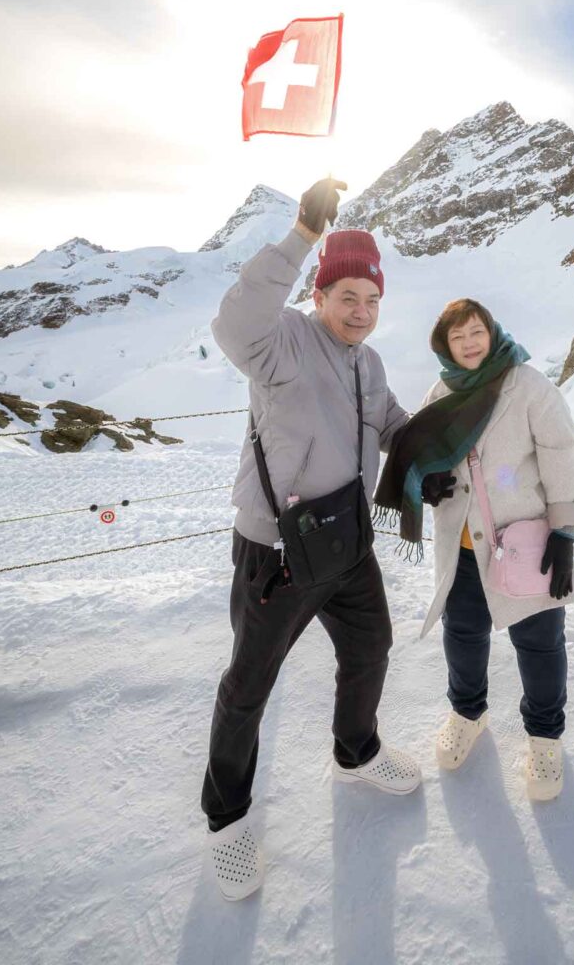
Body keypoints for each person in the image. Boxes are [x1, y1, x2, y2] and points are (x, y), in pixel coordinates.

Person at [201, 177, 420, 901]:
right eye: (346, 296)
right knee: (249, 685)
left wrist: (442, 444)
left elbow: (389, 423)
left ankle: (355, 751)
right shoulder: (283, 342)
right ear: (319, 296)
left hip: (347, 541)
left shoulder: (369, 362)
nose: (359, 312)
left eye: (370, 300)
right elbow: (234, 323)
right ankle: (227, 817)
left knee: (371, 647)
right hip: (278, 550)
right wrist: (301, 234)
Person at [374, 298, 574, 800]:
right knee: (463, 634)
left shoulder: (527, 385)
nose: (470, 343)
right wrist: (427, 486)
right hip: (463, 544)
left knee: (539, 644)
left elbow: (562, 455)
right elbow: (428, 456)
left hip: (524, 543)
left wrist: (564, 533)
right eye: (458, 337)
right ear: (444, 346)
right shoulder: (440, 391)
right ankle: (467, 712)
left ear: (491, 332)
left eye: (477, 332)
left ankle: (544, 738)